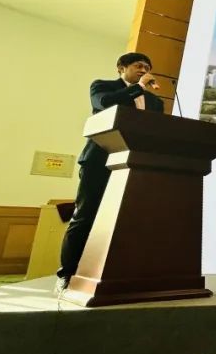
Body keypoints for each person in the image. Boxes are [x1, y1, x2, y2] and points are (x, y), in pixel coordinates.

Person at [55, 53, 164, 294]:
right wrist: (137, 88)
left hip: (137, 165)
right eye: (138, 66)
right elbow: (104, 104)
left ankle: (119, 274)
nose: (144, 70)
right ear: (120, 68)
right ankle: (67, 273)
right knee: (85, 217)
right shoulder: (102, 87)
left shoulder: (154, 102)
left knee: (130, 220)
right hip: (99, 162)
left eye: (147, 67)